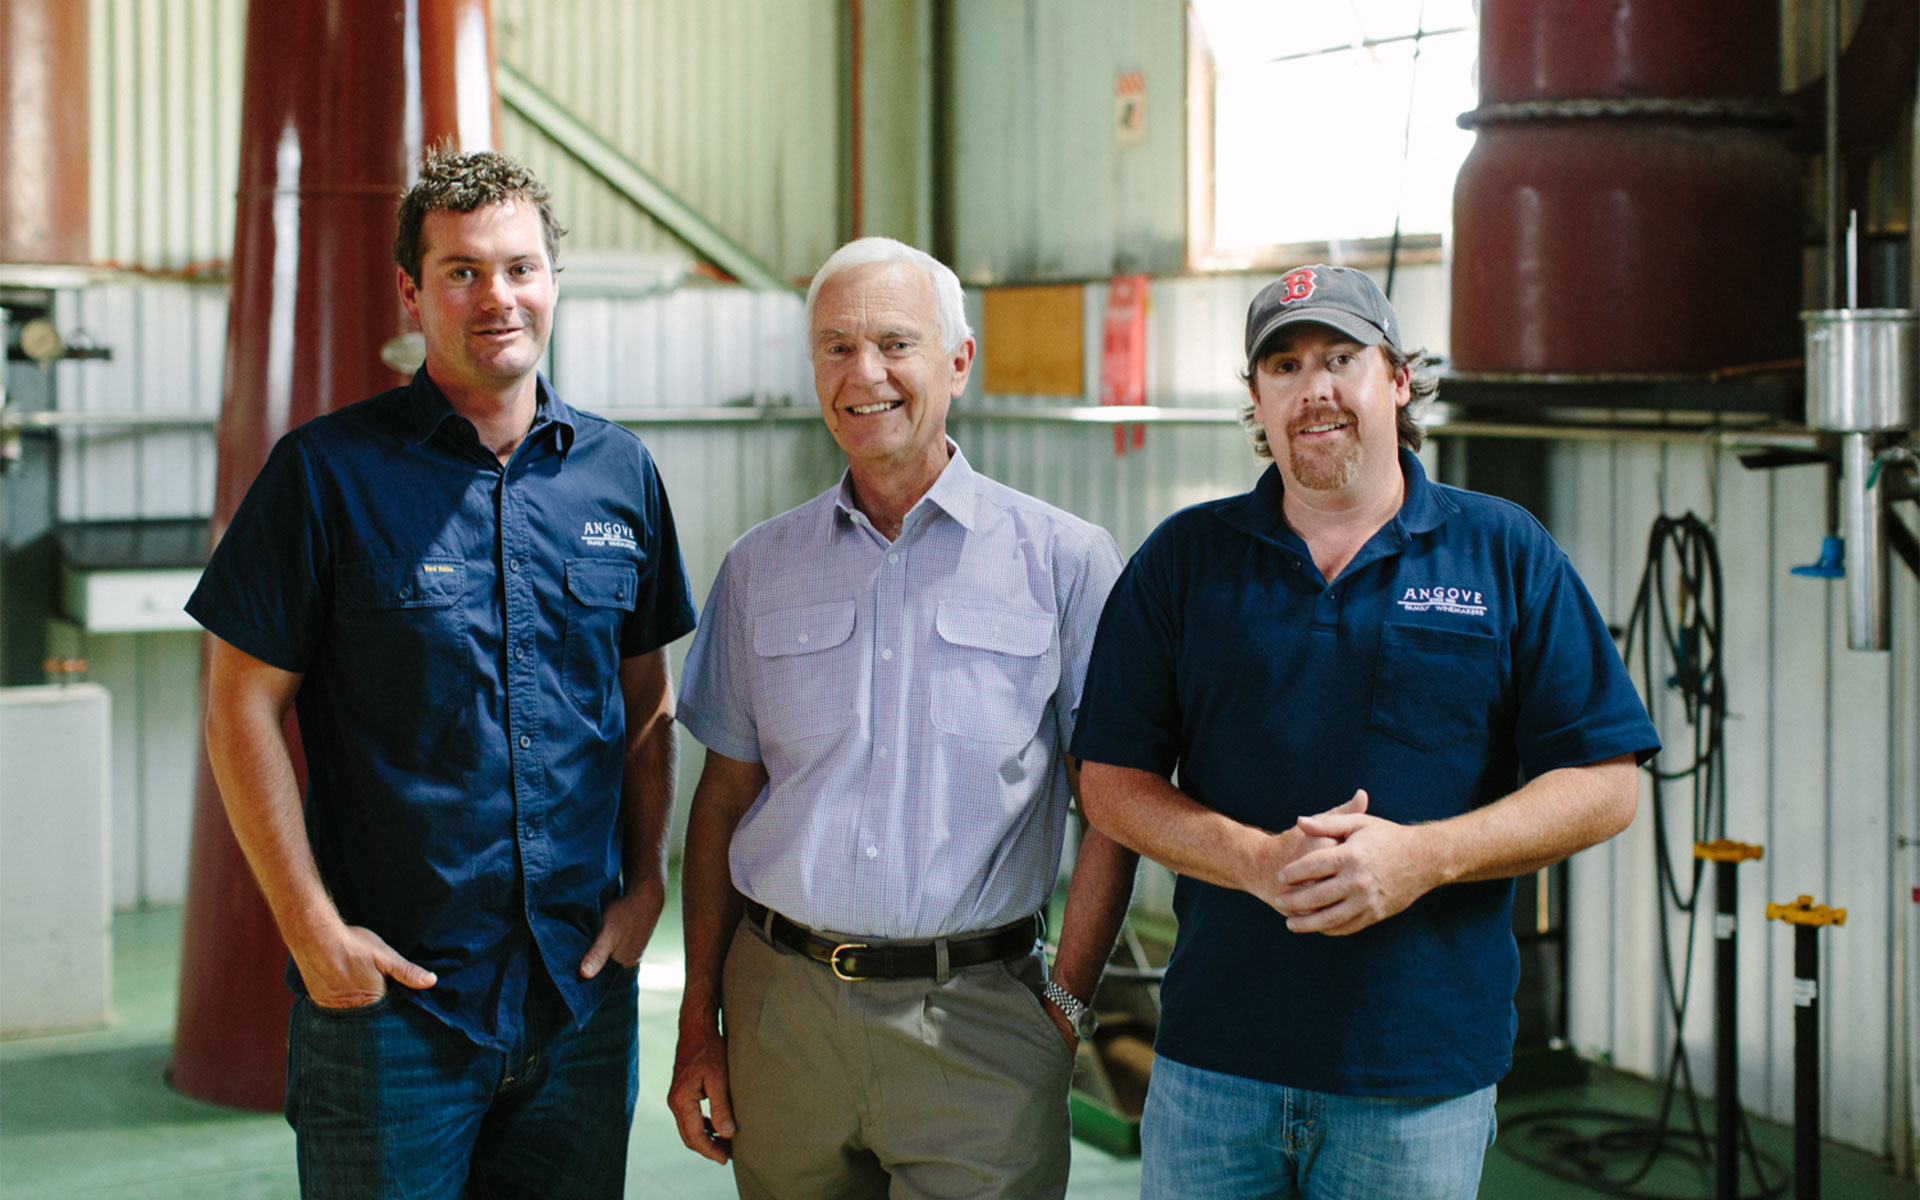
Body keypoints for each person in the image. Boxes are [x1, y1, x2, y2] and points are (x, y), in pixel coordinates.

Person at [1071, 264, 1660, 1200]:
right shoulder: (1185, 561)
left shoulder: (1503, 551)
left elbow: (1605, 780)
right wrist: (1257, 862)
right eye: (1285, 366)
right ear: (1257, 401)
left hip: (1418, 1079)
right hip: (1214, 1067)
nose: (1315, 389)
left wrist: (1422, 858)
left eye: (1342, 357)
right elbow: (1109, 782)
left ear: (1397, 379)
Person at [189, 147, 696, 1198]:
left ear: (553, 279)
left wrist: (648, 886)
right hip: (394, 1016)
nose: (496, 296)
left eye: (519, 267)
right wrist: (312, 932)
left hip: (578, 1003)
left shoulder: (622, 474)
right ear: (414, 295)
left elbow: (648, 706)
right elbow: (240, 706)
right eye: (462, 272)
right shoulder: (326, 475)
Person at [667, 236, 1139, 1200]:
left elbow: (1116, 808)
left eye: (894, 342)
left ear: (959, 361)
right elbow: (720, 805)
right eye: (836, 347)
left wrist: (1064, 1007)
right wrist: (697, 1024)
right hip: (780, 1021)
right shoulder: (758, 567)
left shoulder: (1066, 561)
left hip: (980, 1023)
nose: (863, 374)